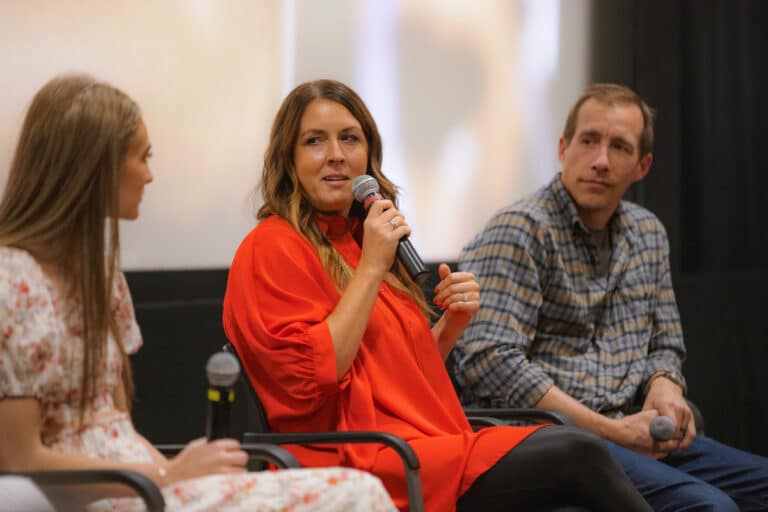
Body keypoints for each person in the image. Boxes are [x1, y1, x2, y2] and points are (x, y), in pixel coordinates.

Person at [222, 78, 652, 512]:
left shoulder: (359, 240)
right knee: (578, 453)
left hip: (419, 443)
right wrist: (372, 267)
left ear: (368, 156)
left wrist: (450, 326)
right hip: (356, 458)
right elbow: (317, 376)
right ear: (289, 159)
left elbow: (393, 377)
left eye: (349, 139)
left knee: (570, 476)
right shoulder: (272, 246)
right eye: (315, 141)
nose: (336, 154)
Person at [0, 74, 398, 512]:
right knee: (356, 493)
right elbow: (20, 458)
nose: (150, 175)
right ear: (93, 168)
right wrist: (169, 474)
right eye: (142, 157)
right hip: (103, 490)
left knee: (361, 490)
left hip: (141, 478)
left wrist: (179, 470)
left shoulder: (98, 269)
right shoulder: (12, 279)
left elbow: (116, 427)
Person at [454, 82, 768, 511]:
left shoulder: (647, 233)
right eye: (589, 141)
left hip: (630, 425)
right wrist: (610, 430)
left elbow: (665, 344)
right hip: (547, 437)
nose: (600, 161)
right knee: (709, 507)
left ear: (643, 165)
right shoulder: (521, 229)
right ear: (563, 148)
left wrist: (665, 385)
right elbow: (490, 362)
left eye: (619, 147)